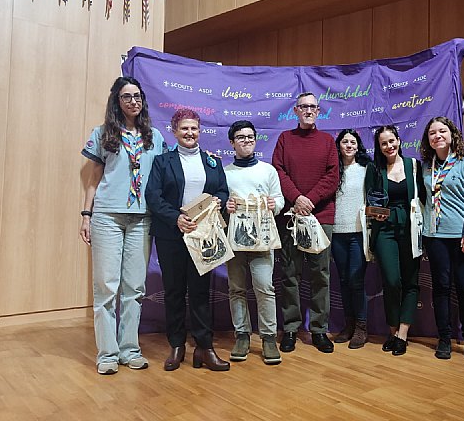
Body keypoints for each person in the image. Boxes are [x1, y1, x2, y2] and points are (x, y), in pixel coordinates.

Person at [80, 76, 166, 375]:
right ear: (117, 101)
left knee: (135, 287)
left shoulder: (154, 136)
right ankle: (107, 353)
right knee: (106, 286)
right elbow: (93, 178)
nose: (133, 101)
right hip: (107, 216)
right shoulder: (103, 133)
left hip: (142, 218)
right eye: (127, 96)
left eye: (137, 96)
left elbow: (164, 177)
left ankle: (130, 349)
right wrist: (86, 214)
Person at [145, 108, 230, 372]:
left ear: (200, 131)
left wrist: (220, 200)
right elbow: (153, 196)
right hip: (172, 235)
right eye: (184, 128)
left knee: (201, 293)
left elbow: (223, 191)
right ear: (174, 131)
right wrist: (176, 219)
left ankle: (204, 348)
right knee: (174, 291)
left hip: (204, 236)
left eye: (194, 128)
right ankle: (177, 346)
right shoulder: (162, 161)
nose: (189, 133)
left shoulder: (212, 162)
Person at [272, 92, 339, 353]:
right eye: (304, 106)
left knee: (320, 275)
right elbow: (278, 171)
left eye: (313, 106)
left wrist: (308, 200)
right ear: (296, 111)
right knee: (290, 274)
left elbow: (333, 176)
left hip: (320, 217)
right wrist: (297, 199)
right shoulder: (285, 139)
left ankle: (319, 330)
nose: (309, 110)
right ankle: (290, 328)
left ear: (318, 111)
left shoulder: (327, 141)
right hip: (291, 218)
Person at [420, 116, 464, 363]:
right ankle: (444, 339)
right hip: (435, 237)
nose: (437, 136)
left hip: (461, 237)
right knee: (441, 289)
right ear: (428, 140)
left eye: (442, 131)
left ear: (452, 134)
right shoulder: (426, 167)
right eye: (432, 133)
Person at [224, 120, 285, 365]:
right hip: (235, 240)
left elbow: (279, 200)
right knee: (236, 289)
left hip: (262, 240)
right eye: (241, 137)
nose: (247, 140)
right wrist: (225, 207)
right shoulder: (225, 172)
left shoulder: (268, 171)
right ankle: (242, 335)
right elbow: (219, 202)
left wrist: (274, 205)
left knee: (264, 288)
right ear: (232, 142)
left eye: (250, 136)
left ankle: (269, 338)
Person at [365, 125, 422, 356]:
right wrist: (374, 211)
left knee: (410, 280)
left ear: (399, 141)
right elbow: (367, 203)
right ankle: (392, 329)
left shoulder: (413, 165)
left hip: (410, 228)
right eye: (384, 143)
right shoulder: (374, 169)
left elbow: (424, 198)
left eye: (392, 141)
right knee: (391, 280)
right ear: (379, 147)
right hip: (384, 230)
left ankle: (402, 334)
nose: (389, 146)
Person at [331, 129, 371, 349]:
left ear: (358, 146)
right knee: (344, 281)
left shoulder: (366, 169)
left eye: (352, 142)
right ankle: (348, 325)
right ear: (338, 146)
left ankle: (361, 328)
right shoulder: (332, 171)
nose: (348, 145)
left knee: (356, 281)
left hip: (358, 233)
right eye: (344, 141)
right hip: (337, 233)